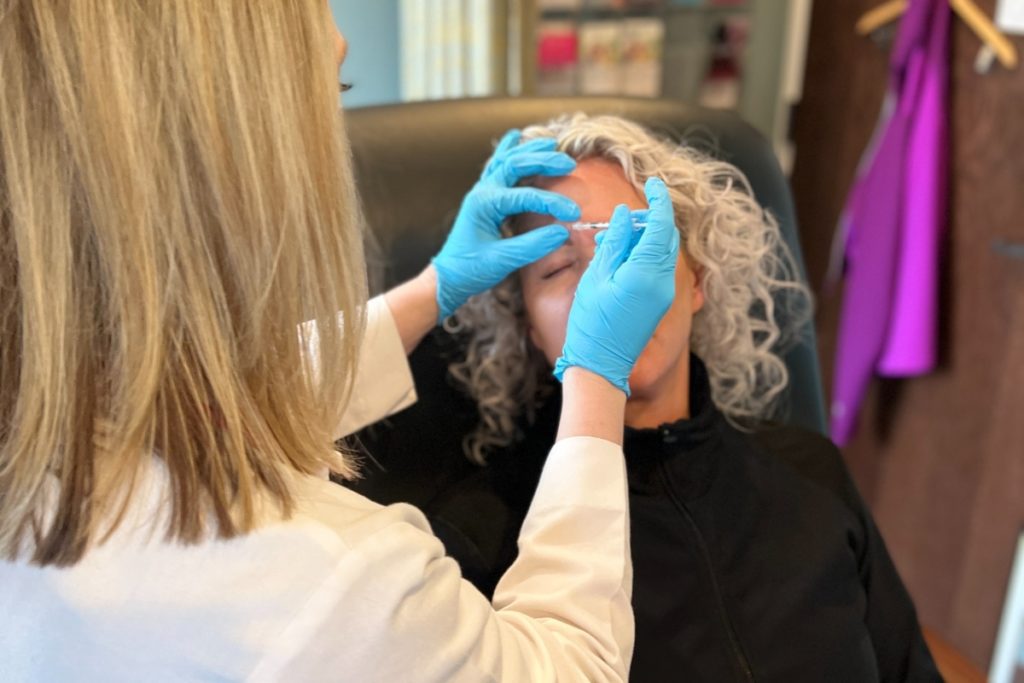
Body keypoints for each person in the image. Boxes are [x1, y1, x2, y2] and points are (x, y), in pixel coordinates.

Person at [0, 5, 682, 681]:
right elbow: (566, 667)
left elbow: (193, 412)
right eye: (334, 94)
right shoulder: (327, 585)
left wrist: (431, 290)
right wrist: (595, 373)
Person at [392, 113, 941, 682]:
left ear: (696, 277)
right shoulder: (474, 541)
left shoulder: (812, 474)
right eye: (557, 268)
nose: (604, 283)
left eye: (627, 241)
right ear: (528, 328)